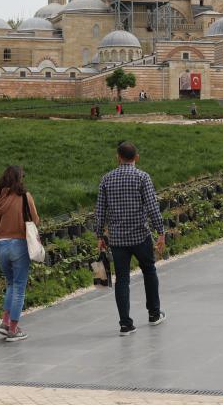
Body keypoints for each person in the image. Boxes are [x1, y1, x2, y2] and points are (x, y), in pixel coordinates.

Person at [95, 141, 167, 335]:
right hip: (140, 235)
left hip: (117, 239)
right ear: (136, 157)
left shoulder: (106, 179)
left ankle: (125, 324)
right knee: (149, 271)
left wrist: (99, 235)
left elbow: (100, 210)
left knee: (122, 279)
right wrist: (161, 232)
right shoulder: (142, 177)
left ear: (118, 157)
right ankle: (154, 314)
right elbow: (152, 207)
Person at [0, 165, 39, 342]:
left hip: (0, 245)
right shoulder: (24, 196)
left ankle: (5, 322)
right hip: (18, 243)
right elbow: (35, 219)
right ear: (19, 179)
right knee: (19, 287)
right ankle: (13, 329)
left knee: (10, 284)